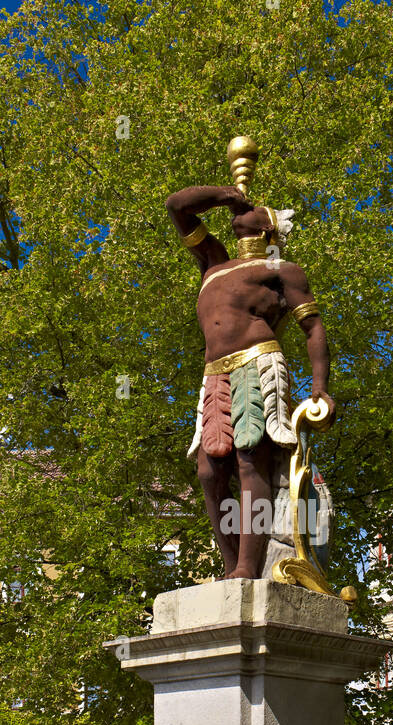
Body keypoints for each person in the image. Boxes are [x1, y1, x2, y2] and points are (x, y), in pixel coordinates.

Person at [165, 184, 335, 579]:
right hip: (214, 374)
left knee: (248, 461)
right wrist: (226, 194)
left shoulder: (282, 270)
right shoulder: (214, 262)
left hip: (258, 364)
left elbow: (312, 327)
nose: (242, 212)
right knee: (208, 472)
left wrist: (319, 386)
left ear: (268, 230)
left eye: (255, 209)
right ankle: (230, 564)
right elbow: (177, 206)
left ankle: (246, 566)